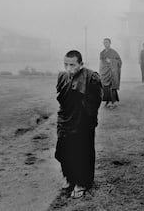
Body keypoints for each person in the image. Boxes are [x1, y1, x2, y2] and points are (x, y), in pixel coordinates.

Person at [55, 50, 102, 198]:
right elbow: (61, 98)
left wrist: (86, 118)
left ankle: (81, 182)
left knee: (81, 153)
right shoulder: (62, 76)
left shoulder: (91, 77)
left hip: (82, 121)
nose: (69, 68)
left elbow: (96, 102)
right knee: (63, 151)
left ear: (81, 64)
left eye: (72, 64)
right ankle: (69, 178)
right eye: (66, 64)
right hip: (65, 120)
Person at [99, 38, 122, 108]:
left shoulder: (114, 52)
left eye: (107, 42)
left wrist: (111, 61)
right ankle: (107, 101)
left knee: (112, 87)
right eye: (104, 43)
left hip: (112, 72)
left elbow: (120, 62)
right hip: (104, 72)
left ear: (110, 43)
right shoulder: (102, 53)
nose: (106, 44)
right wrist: (100, 70)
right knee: (105, 87)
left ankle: (114, 102)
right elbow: (101, 63)